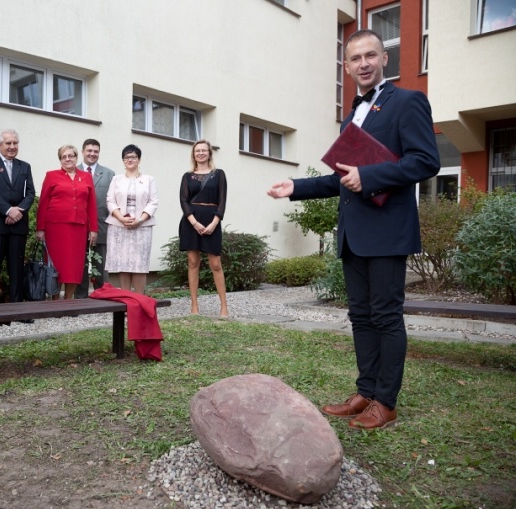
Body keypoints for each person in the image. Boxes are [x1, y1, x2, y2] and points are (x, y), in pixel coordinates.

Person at [267, 29, 440, 430]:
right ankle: (366, 391)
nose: (363, 64)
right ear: (346, 67)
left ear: (384, 59)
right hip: (354, 231)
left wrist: (371, 175)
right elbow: (341, 178)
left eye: (370, 56)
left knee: (385, 315)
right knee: (360, 316)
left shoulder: (409, 102)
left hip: (387, 229)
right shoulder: (352, 115)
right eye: (355, 59)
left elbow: (425, 161)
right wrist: (296, 187)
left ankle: (387, 401)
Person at [0, 129, 35, 309]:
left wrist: (19, 211)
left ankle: (17, 308)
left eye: (15, 143)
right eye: (8, 143)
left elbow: (31, 193)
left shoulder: (24, 166)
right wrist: (8, 210)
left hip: (18, 226)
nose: (12, 147)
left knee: (16, 269)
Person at [36, 145, 98, 299]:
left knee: (73, 266)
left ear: (77, 158)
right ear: (60, 160)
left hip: (78, 228)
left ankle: (68, 300)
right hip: (55, 228)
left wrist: (94, 229)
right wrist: (40, 228)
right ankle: (55, 299)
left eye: (71, 156)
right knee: (55, 264)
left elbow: (91, 205)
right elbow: (43, 203)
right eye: (64, 157)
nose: (68, 159)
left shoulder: (86, 177)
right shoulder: (51, 175)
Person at [178, 139, 228, 317]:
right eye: (197, 151)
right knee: (192, 262)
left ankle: (223, 306)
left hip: (212, 220)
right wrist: (194, 222)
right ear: (194, 154)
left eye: (203, 150)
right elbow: (183, 200)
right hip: (191, 221)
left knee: (215, 264)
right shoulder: (187, 176)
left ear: (209, 153)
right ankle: (194, 305)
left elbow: (222, 201)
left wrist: (214, 223)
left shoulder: (219, 174)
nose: (200, 153)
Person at [104, 144, 158, 294]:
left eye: (133, 157)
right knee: (123, 264)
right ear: (123, 160)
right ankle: (126, 299)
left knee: (139, 264)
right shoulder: (116, 179)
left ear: (139, 160)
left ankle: (139, 300)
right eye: (127, 157)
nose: (130, 160)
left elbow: (153, 202)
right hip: (119, 226)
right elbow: (110, 200)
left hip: (142, 226)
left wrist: (140, 219)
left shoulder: (149, 179)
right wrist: (121, 218)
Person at [74, 139, 115, 298]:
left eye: (95, 151)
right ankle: (80, 297)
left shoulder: (109, 174)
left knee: (101, 264)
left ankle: (102, 296)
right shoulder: (73, 171)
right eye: (89, 150)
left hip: (102, 225)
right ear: (83, 151)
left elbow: (113, 200)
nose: (92, 154)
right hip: (78, 225)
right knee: (80, 264)